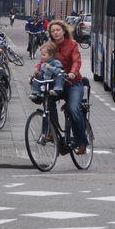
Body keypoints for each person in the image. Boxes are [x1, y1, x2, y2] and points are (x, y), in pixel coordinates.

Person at [46, 19, 88, 155]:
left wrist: (72, 73)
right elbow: (42, 61)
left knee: (74, 109)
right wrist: (34, 73)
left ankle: (82, 142)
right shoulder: (50, 46)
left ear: (64, 31)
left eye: (58, 30)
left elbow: (76, 61)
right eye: (53, 31)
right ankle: (52, 132)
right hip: (58, 84)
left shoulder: (72, 44)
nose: (56, 33)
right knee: (48, 101)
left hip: (73, 83)